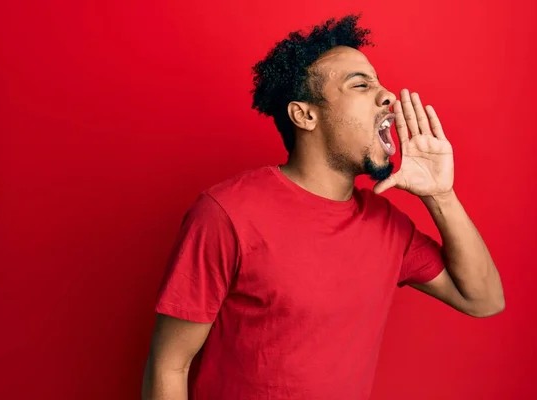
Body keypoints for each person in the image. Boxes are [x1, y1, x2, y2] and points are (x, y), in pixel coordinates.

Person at [141, 14, 504, 400]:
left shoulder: (387, 225)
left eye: (380, 83)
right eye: (361, 85)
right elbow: (169, 364)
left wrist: (440, 195)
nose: (387, 96)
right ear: (306, 115)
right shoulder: (226, 213)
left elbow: (483, 300)